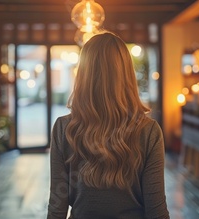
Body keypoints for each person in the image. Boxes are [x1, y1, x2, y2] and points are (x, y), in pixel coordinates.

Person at [47, 32, 169, 219]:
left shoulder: (64, 128)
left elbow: (57, 209)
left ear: (84, 75)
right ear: (127, 75)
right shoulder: (149, 131)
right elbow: (156, 211)